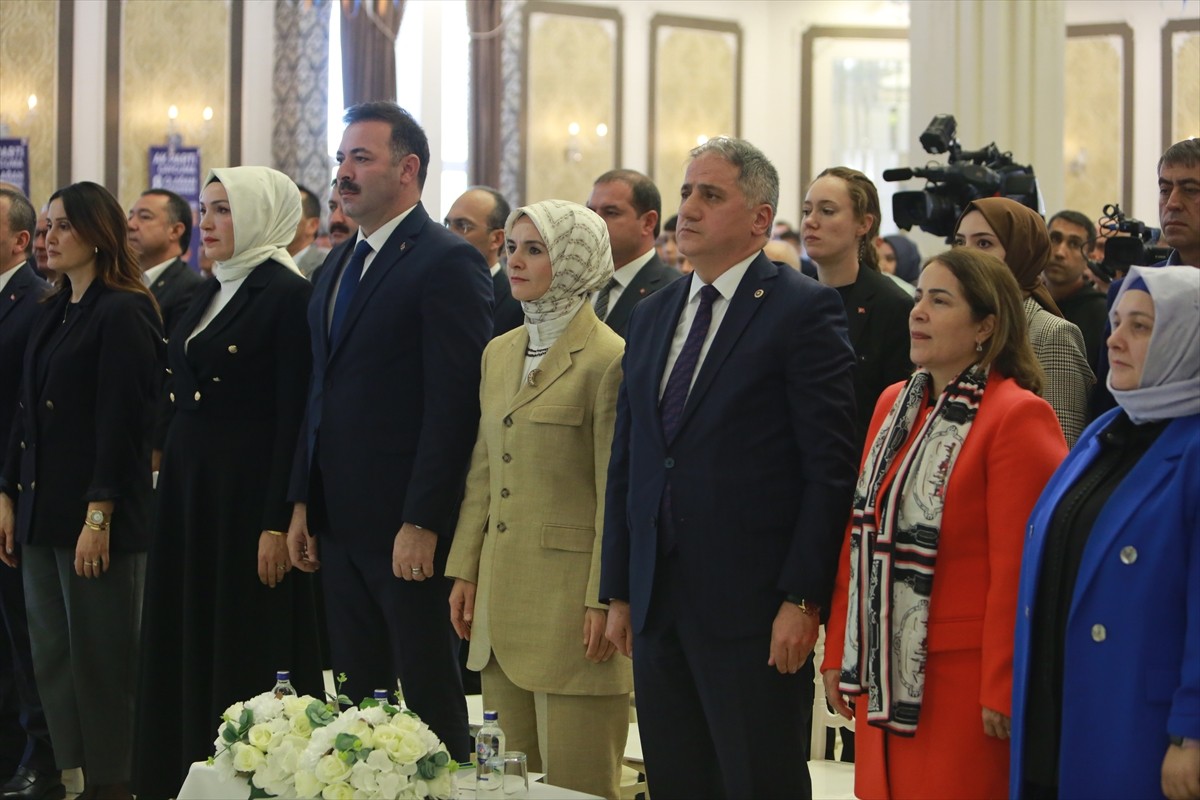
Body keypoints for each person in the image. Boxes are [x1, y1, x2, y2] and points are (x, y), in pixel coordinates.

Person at [600, 137, 859, 799]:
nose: (687, 208)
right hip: (661, 602)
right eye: (686, 191)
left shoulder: (802, 310)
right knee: (678, 781)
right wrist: (621, 587)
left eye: (710, 195)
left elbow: (827, 468)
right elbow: (632, 459)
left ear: (758, 219)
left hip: (753, 608)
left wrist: (802, 598)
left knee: (757, 780)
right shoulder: (655, 313)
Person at [822, 247, 1068, 800]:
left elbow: (1023, 570)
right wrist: (840, 647)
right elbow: (858, 536)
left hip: (962, 684)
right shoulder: (894, 404)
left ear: (986, 326)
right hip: (883, 668)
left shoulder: (1017, 415)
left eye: (939, 301)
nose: (918, 313)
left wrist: (1005, 685)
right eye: (916, 298)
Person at [286, 102, 492, 759]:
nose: (343, 172)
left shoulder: (445, 261)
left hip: (406, 526)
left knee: (429, 695)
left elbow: (454, 404)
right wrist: (301, 503)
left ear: (408, 170)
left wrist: (425, 519)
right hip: (340, 523)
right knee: (356, 701)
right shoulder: (340, 263)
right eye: (341, 158)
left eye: (360, 158)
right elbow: (318, 396)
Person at [132, 167, 320, 798]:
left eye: (223, 211)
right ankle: (179, 771)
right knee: (187, 632)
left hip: (244, 496)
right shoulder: (208, 289)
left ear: (263, 215)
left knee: (241, 635)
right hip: (191, 490)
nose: (207, 224)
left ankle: (243, 779)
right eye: (205, 210)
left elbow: (296, 417)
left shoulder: (286, 295)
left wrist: (277, 518)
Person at [447, 200, 632, 799]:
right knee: (502, 786)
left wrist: (603, 598)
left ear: (576, 261)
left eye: (536, 249)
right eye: (513, 247)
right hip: (501, 604)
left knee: (579, 788)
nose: (515, 261)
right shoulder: (498, 351)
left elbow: (615, 492)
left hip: (572, 609)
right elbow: (482, 470)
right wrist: (466, 571)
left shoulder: (610, 357)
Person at [0, 181, 163, 800]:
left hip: (96, 518)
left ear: (97, 233)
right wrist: (8, 493)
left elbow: (123, 422)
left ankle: (113, 784)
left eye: (62, 226)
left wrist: (99, 516)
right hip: (43, 510)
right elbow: (25, 415)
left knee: (103, 662)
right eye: (45, 226)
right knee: (55, 660)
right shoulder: (53, 307)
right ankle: (73, 776)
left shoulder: (124, 309)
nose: (48, 237)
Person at [1011, 265, 1200, 800]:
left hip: (1141, 720)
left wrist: (1192, 733)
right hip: (1060, 708)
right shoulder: (1105, 431)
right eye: (1116, 322)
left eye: (1140, 327)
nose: (1114, 339)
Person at [0, 188, 57, 800]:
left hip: (14, 494)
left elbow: (26, 414)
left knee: (24, 637)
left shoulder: (36, 301)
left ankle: (38, 755)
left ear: (22, 240)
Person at [954, 198, 1093, 446]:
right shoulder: (961, 323)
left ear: (1020, 253)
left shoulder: (1052, 334)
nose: (966, 255)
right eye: (960, 242)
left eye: (983, 243)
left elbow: (1060, 449)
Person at [804, 167, 913, 448]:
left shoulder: (892, 306)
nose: (811, 222)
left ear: (863, 224)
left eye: (827, 211)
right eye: (807, 211)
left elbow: (896, 414)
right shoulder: (792, 298)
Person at [586, 169, 679, 337]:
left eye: (611, 213)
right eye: (591, 212)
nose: (594, 222)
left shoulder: (673, 291)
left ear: (648, 223)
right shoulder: (577, 282)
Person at [445, 186, 523, 337]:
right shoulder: (440, 291)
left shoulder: (517, 306)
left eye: (463, 226)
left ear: (497, 239)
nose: (448, 234)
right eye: (447, 224)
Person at [1043, 210, 1107, 373]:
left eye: (1074, 244)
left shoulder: (1102, 313)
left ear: (1089, 255)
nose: (1059, 253)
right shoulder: (1024, 302)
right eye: (1055, 239)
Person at [288, 183, 330, 278]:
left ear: (312, 225)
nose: (280, 218)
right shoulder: (265, 262)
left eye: (289, 212)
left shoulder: (325, 265)